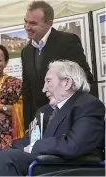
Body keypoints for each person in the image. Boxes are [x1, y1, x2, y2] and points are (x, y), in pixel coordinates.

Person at [0, 60, 105, 176]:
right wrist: (9, 146)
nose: (43, 89)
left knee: (9, 158)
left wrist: (35, 146)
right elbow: (31, 140)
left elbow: (74, 145)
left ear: (67, 83)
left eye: (48, 81)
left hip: (71, 164)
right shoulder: (45, 110)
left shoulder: (88, 105)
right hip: (45, 158)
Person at [21, 1, 94, 129]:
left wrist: (84, 120)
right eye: (25, 21)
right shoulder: (25, 52)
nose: (27, 26)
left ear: (49, 23)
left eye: (32, 23)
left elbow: (85, 80)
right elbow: (27, 90)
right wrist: (28, 125)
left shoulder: (68, 42)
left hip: (68, 120)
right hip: (40, 123)